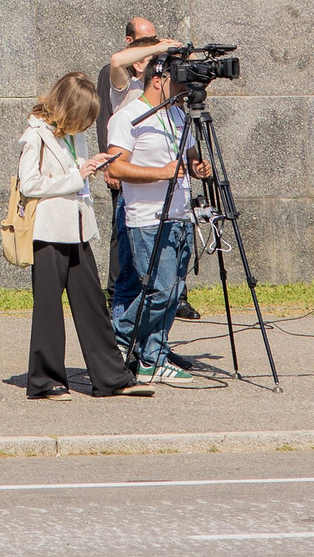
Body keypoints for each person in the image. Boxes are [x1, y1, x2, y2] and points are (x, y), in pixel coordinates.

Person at [18, 71, 150, 400]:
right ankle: (45, 380)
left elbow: (73, 168)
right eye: (82, 117)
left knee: (92, 303)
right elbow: (29, 185)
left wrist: (91, 164)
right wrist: (78, 175)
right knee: (48, 307)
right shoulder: (35, 135)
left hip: (77, 228)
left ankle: (111, 377)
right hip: (48, 231)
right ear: (68, 109)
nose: (85, 125)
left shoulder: (71, 133)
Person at [105, 51, 198, 383]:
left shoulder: (178, 114)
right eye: (179, 80)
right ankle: (117, 334)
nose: (185, 87)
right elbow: (115, 166)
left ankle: (152, 360)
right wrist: (161, 172)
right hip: (147, 218)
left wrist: (199, 166)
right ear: (158, 79)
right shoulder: (128, 116)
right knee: (161, 291)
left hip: (181, 214)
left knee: (174, 292)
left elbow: (188, 158)